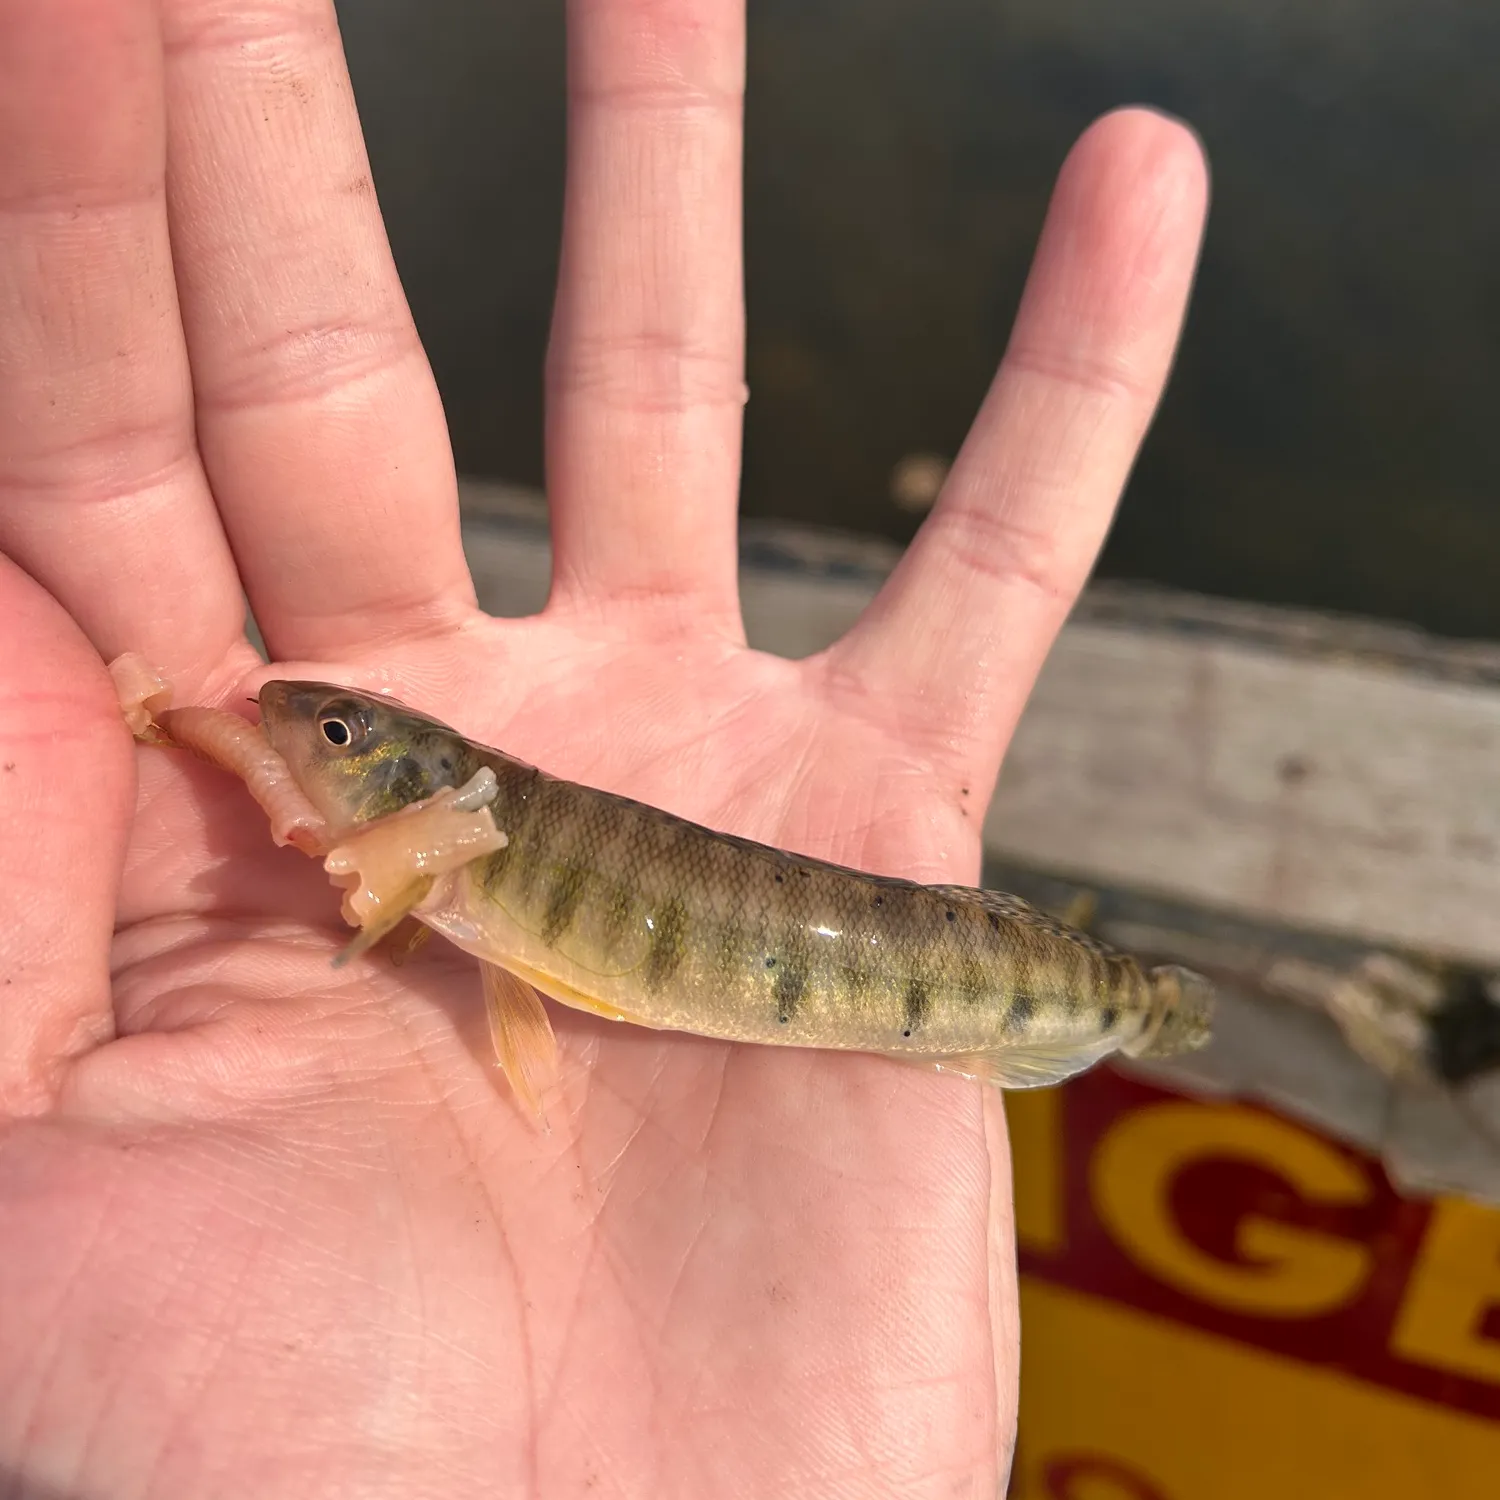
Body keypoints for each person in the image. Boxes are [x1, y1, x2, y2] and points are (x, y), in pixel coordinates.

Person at [0, 1, 1207, 1495]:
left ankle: (1137, 1003)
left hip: (924, 978)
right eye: (329, 725)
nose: (302, 734)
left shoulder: (447, 842)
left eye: (332, 731)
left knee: (1044, 992)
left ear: (405, 782)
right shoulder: (443, 861)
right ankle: (1135, 1000)